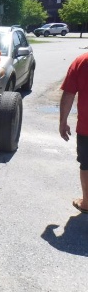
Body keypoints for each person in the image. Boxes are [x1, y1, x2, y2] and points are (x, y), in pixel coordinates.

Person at [60, 52, 88, 214]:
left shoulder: (82, 61)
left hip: (87, 129)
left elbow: (69, 93)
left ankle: (87, 203)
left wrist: (62, 122)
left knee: (87, 164)